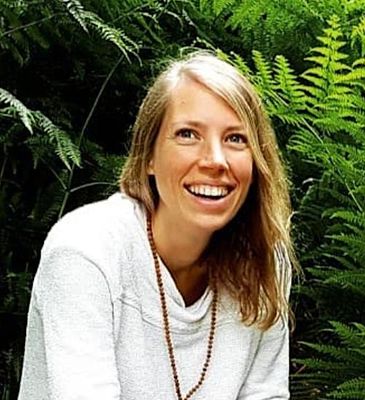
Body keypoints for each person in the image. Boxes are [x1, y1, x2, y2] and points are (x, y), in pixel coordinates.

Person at [18, 52, 295, 400]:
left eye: (236, 138)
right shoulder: (85, 251)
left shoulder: (265, 261)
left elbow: (265, 394)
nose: (216, 160)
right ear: (148, 155)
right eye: (188, 134)